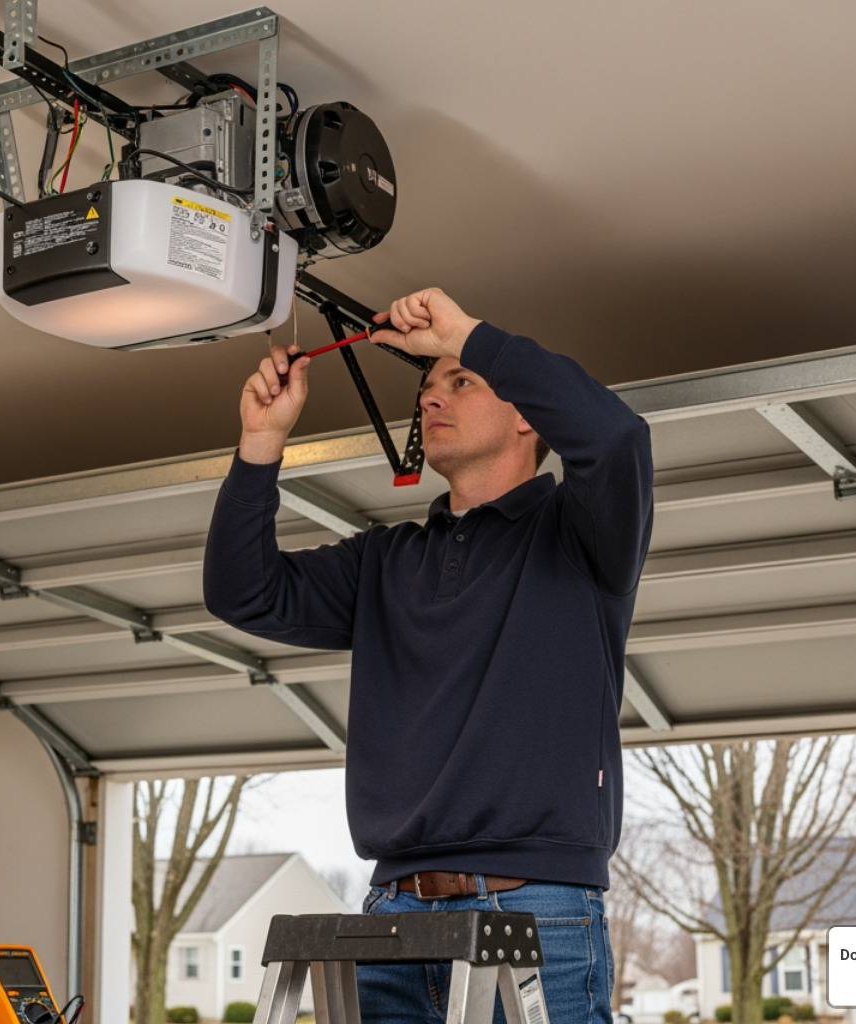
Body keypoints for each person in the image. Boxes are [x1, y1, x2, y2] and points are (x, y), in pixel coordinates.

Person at [203, 287, 653, 1024]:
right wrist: (260, 444)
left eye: (460, 381)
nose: (429, 398)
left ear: (527, 416)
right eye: (426, 388)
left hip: (537, 912)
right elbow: (241, 593)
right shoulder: (385, 560)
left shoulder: (580, 536)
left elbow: (616, 437)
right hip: (392, 915)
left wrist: (467, 334)